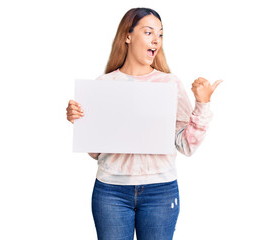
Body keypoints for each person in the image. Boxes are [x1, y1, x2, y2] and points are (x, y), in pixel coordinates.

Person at [66, 7, 222, 240]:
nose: (156, 40)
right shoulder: (104, 84)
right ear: (127, 36)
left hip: (160, 191)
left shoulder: (169, 83)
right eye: (149, 32)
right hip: (111, 191)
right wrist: (80, 122)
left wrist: (203, 104)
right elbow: (97, 153)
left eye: (160, 34)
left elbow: (186, 146)